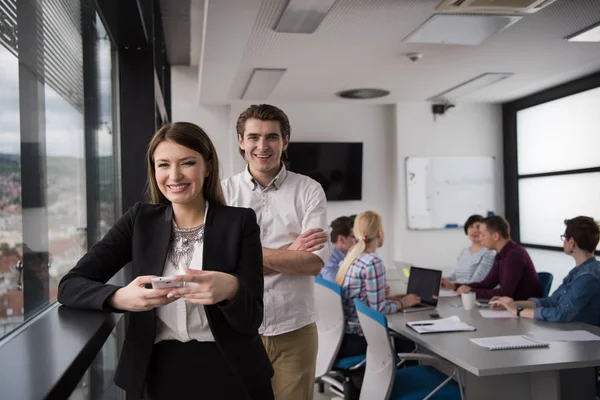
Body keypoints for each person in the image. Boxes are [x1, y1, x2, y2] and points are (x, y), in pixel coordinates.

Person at [57, 123, 274, 400]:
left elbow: (252, 319)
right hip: (154, 372)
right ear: (154, 169)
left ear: (207, 166)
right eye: (163, 165)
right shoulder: (139, 220)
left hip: (232, 372)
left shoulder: (240, 222)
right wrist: (120, 298)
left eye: (187, 163)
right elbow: (70, 285)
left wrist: (231, 289)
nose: (174, 175)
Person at [222, 104, 331, 400]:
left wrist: (246, 258)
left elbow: (312, 263)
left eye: (271, 137)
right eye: (253, 137)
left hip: (295, 329)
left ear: (285, 142)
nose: (262, 146)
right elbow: (219, 266)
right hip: (236, 330)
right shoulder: (223, 193)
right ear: (241, 142)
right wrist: (289, 252)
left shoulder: (309, 190)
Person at [336, 211, 420, 358]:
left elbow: (362, 298)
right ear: (380, 233)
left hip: (342, 336)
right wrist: (403, 303)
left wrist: (390, 298)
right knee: (407, 338)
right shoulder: (373, 262)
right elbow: (379, 309)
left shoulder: (351, 258)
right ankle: (402, 377)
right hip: (360, 337)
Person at [491, 216, 600, 326]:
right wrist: (511, 304)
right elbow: (552, 302)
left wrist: (518, 311)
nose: (564, 241)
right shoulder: (578, 271)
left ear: (571, 242)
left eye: (564, 237)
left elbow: (560, 314)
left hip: (586, 337)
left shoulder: (588, 276)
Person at [456, 215, 541, 300]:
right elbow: (487, 284)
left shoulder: (514, 255)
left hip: (522, 307)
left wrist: (471, 291)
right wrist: (457, 286)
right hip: (511, 305)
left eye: (483, 234)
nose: (480, 238)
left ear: (495, 236)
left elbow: (505, 293)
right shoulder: (501, 255)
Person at [441, 214, 495, 289]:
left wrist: (452, 284)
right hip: (456, 291)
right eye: (471, 227)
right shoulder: (464, 252)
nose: (475, 230)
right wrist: (442, 280)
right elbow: (453, 275)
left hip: (472, 295)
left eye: (478, 227)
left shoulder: (489, 253)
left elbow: (477, 281)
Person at [320, 215, 358, 282]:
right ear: (341, 239)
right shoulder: (329, 260)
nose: (358, 242)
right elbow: (334, 288)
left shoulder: (336, 257)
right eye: (354, 237)